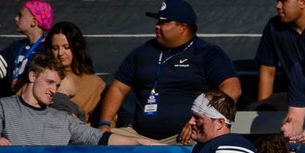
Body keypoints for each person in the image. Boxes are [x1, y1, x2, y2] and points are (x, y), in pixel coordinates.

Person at [97, 0, 241, 144]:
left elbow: (232, 88)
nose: (157, 26)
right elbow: (118, 88)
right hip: (138, 134)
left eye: (163, 22)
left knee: (199, 142)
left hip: (184, 135)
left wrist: (199, 121)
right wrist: (105, 123)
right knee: (101, 139)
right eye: (157, 21)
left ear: (182, 27)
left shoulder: (206, 53)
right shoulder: (142, 53)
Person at [0, 54, 158, 147]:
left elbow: (99, 138)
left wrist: (141, 142)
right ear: (32, 76)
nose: (53, 90)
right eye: (49, 82)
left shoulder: (63, 119)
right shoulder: (2, 106)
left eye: (57, 85)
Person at [0, 1, 52, 106]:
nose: (16, 18)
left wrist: (26, 85)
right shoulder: (16, 47)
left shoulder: (49, 50)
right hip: (11, 107)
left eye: (20, 15)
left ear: (34, 21)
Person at [44, 21, 106, 124]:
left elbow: (106, 121)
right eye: (55, 48)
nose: (60, 53)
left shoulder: (95, 84)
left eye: (66, 47)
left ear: (77, 47)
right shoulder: (40, 74)